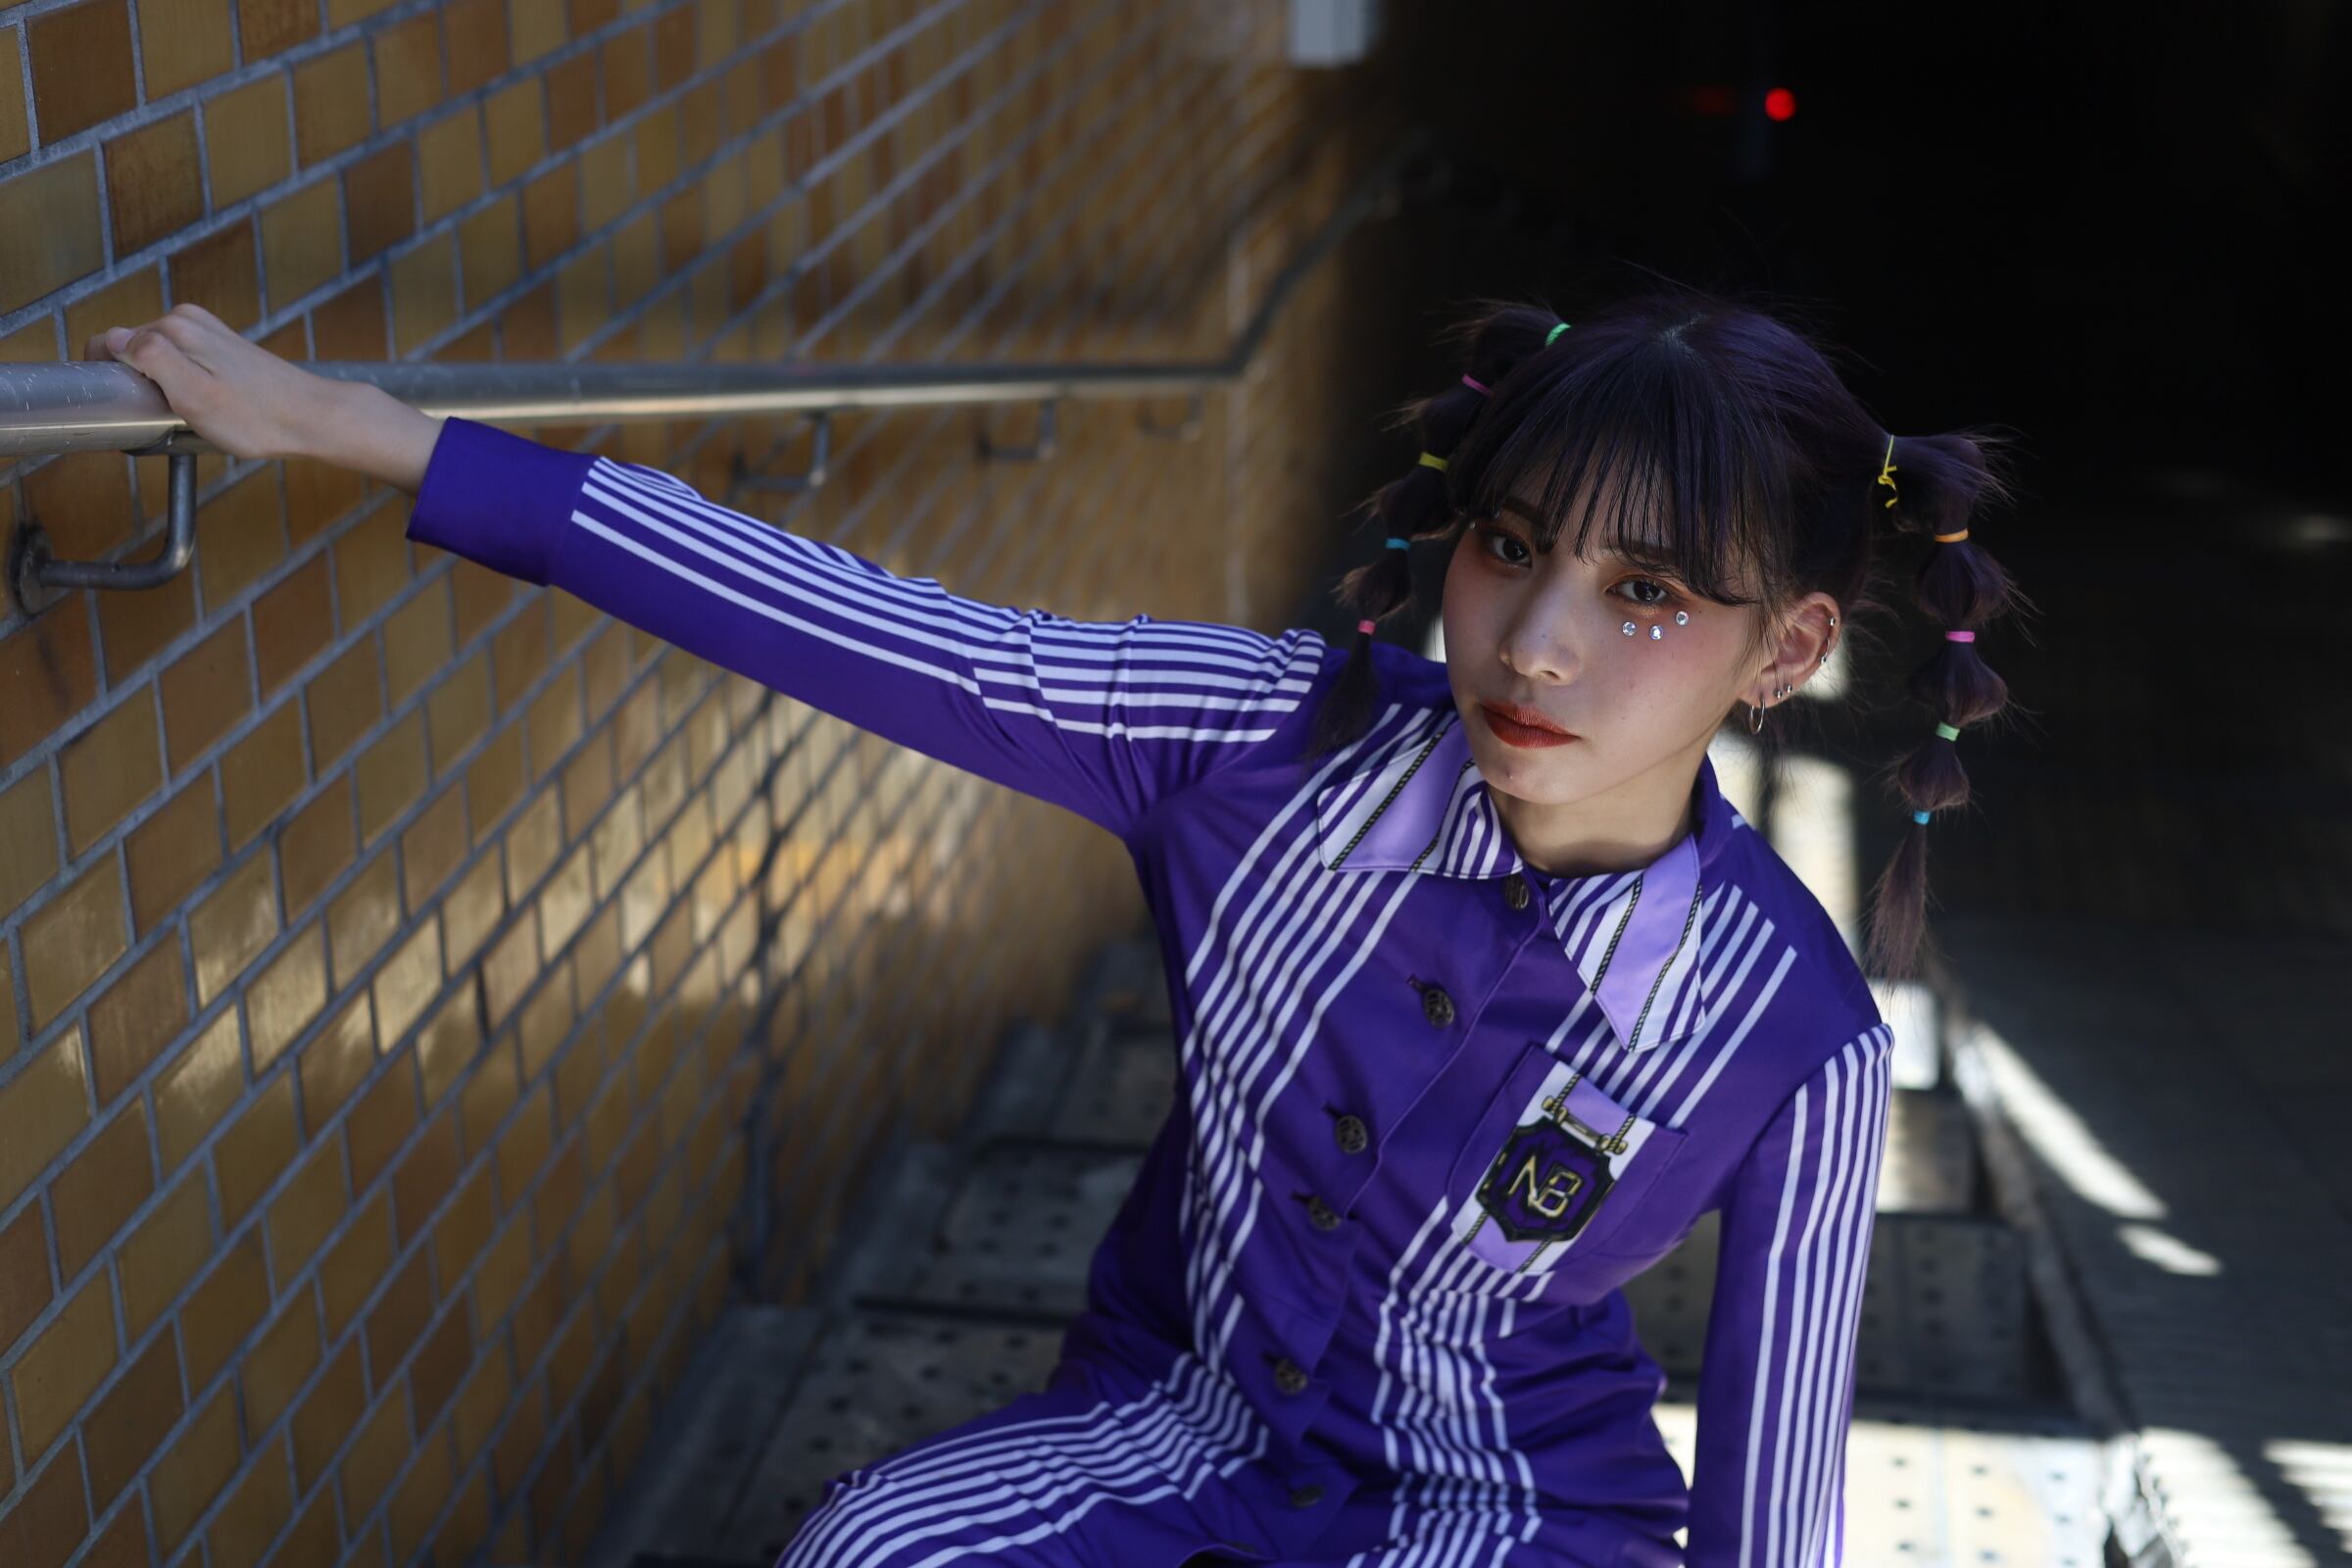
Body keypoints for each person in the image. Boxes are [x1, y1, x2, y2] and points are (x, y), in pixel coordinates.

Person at [84, 285, 2022, 1567]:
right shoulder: (1264, 742)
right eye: (1509, 546)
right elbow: (869, 626)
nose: (1536, 642)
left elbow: (1776, 1497)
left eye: (1648, 591)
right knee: (866, 1545)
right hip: (1172, 1418)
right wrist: (368, 430)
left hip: (1516, 1511)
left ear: (1786, 648)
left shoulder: (1800, 1037)